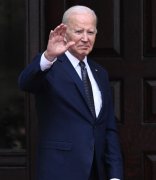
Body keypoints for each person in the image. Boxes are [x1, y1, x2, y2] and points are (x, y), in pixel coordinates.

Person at [18, 5, 123, 180]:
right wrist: (48, 57)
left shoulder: (100, 73)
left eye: (90, 32)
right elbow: (25, 82)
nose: (85, 38)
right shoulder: (50, 66)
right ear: (65, 33)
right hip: (60, 170)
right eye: (79, 31)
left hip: (97, 172)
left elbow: (108, 128)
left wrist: (115, 175)